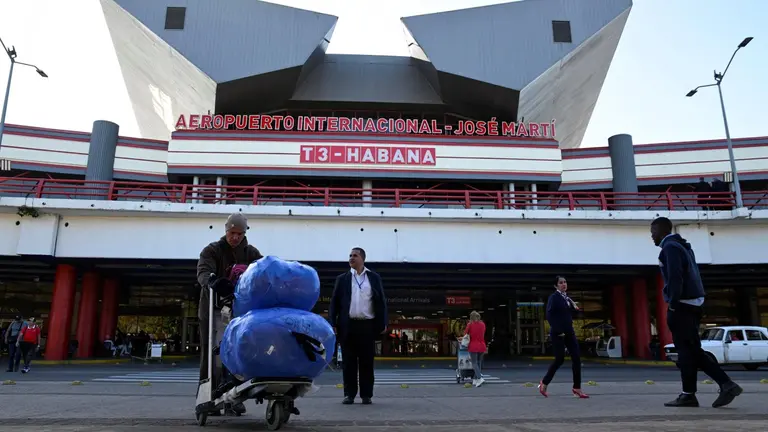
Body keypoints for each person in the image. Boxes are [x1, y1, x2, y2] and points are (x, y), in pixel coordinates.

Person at [651, 217, 742, 408]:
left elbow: (676, 277)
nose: (652, 237)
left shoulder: (670, 248)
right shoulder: (682, 246)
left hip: (682, 305)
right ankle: (689, 394)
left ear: (661, 230)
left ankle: (726, 384)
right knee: (688, 351)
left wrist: (673, 303)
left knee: (689, 350)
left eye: (653, 232)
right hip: (692, 303)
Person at [196, 213, 262, 416]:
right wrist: (213, 280)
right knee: (213, 353)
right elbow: (203, 272)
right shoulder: (212, 250)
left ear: (245, 234)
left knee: (238, 351)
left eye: (239, 234)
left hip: (240, 311)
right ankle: (208, 395)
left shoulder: (251, 253)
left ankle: (235, 396)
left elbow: (262, 270)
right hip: (213, 308)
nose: (235, 237)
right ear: (226, 231)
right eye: (232, 233)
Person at [329, 247, 388, 405]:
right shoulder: (343, 279)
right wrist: (332, 323)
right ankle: (349, 394)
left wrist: (383, 323)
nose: (351, 258)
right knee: (348, 362)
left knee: (367, 362)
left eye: (354, 255)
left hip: (367, 326)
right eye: (350, 255)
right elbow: (334, 303)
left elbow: (381, 301)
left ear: (362, 258)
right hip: (347, 326)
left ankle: (366, 395)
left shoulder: (373, 278)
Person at [538, 276, 589, 399]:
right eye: (561, 283)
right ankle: (544, 383)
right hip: (558, 332)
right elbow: (549, 315)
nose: (564, 284)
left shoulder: (567, 298)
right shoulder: (554, 297)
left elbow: (566, 313)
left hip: (569, 331)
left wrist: (575, 309)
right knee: (559, 359)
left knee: (576, 358)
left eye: (565, 282)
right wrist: (558, 330)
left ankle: (577, 387)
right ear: (556, 285)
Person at [465, 311, 487, 387]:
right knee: (479, 362)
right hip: (482, 345)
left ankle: (479, 378)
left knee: (474, 363)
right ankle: (475, 379)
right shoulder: (483, 324)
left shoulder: (470, 324)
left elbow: (466, 334)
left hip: (473, 345)